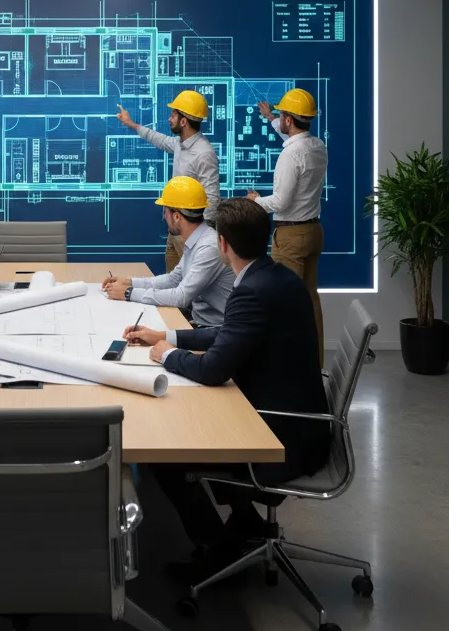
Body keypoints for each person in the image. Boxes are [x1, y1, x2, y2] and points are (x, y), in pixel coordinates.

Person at [125, 198, 329, 583]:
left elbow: (214, 369)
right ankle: (246, 525)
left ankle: (216, 549)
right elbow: (227, 333)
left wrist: (166, 355)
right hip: (301, 422)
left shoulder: (251, 290)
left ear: (222, 245)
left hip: (278, 436)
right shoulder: (274, 277)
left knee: (167, 457)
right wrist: (167, 335)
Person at [247, 89, 328, 363]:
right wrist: (270, 117)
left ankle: (286, 368)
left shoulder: (291, 155)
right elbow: (293, 142)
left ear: (289, 119)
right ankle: (313, 364)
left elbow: (280, 201)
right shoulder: (317, 147)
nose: (280, 119)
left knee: (283, 305)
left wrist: (256, 201)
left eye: (282, 115)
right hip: (313, 232)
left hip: (291, 237)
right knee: (309, 300)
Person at [100, 176, 233, 327]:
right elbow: (173, 279)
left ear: (176, 216)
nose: (164, 217)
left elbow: (181, 297)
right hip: (201, 325)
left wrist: (128, 292)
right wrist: (129, 282)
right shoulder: (197, 240)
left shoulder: (208, 247)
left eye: (165, 211)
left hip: (215, 331)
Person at [116, 90, 221, 273]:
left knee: (190, 286)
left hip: (190, 231)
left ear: (183, 121)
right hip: (177, 229)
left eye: (173, 114)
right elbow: (160, 140)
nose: (169, 118)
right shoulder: (180, 144)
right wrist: (132, 125)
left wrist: (199, 235)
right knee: (173, 279)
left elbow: (212, 198)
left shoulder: (204, 153)